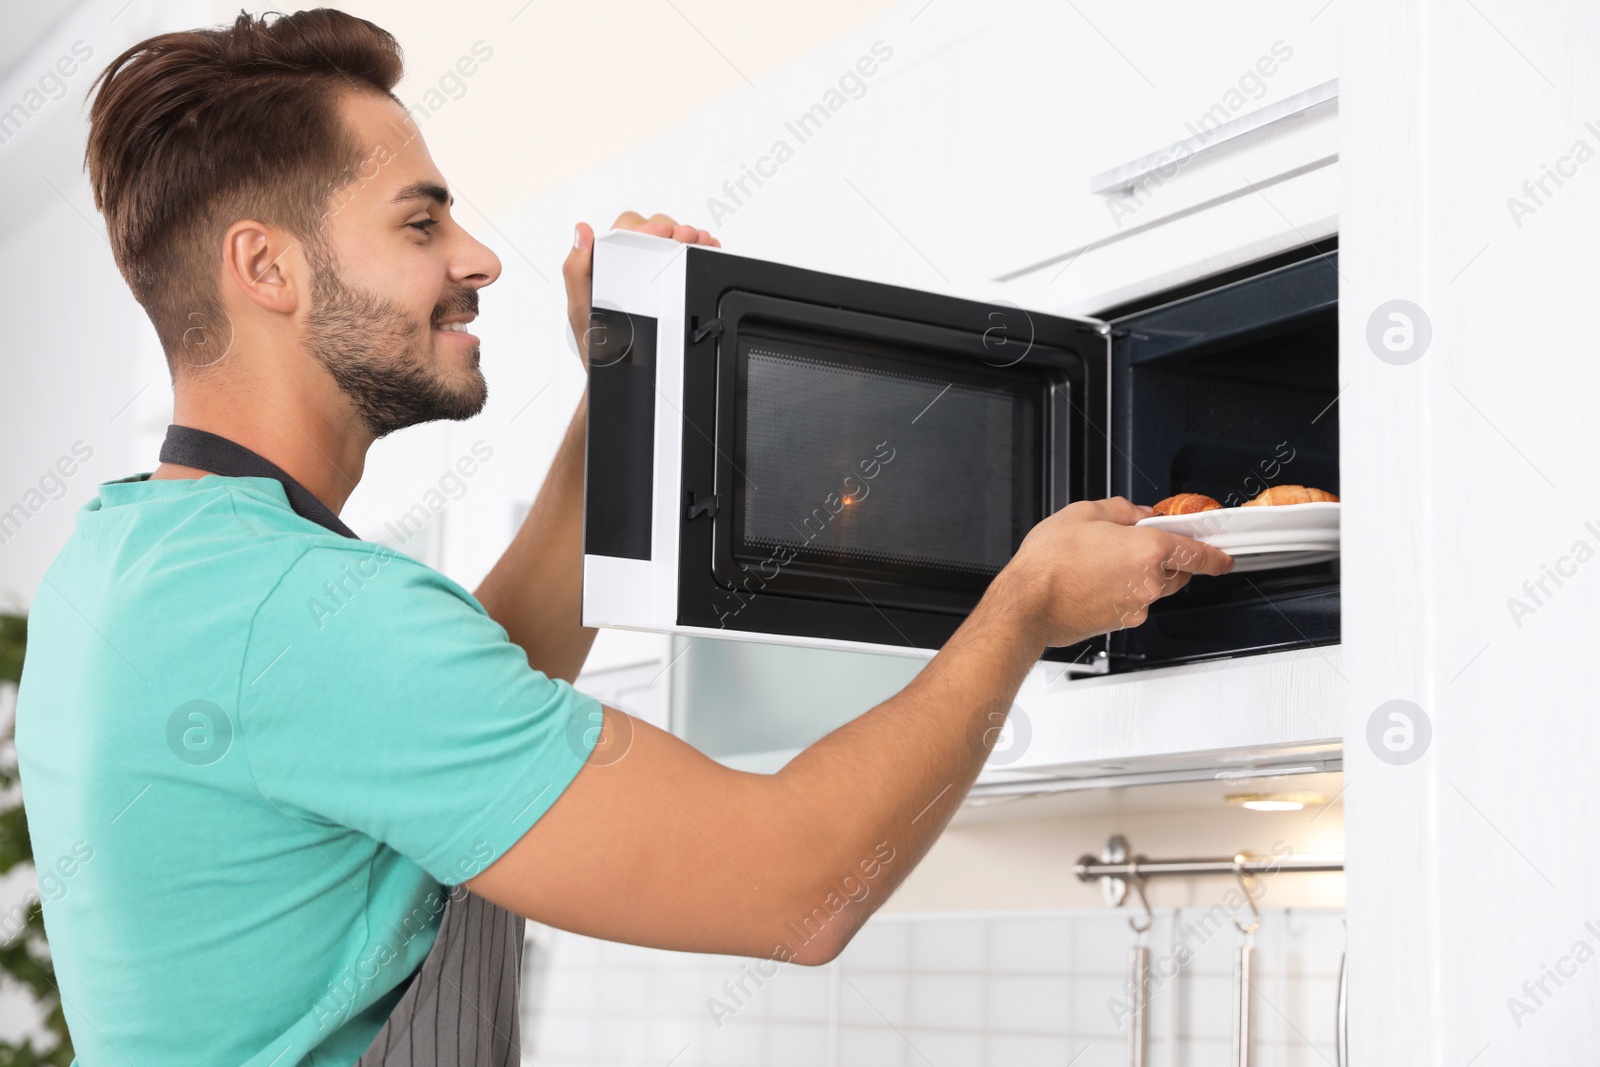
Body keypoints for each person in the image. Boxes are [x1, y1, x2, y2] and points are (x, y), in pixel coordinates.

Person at [12, 9, 1232, 1066]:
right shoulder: (293, 609)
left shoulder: (137, 555)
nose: (478, 258)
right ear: (264, 267)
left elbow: (470, 688)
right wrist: (1021, 609)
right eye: (420, 222)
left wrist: (628, 384)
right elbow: (797, 887)